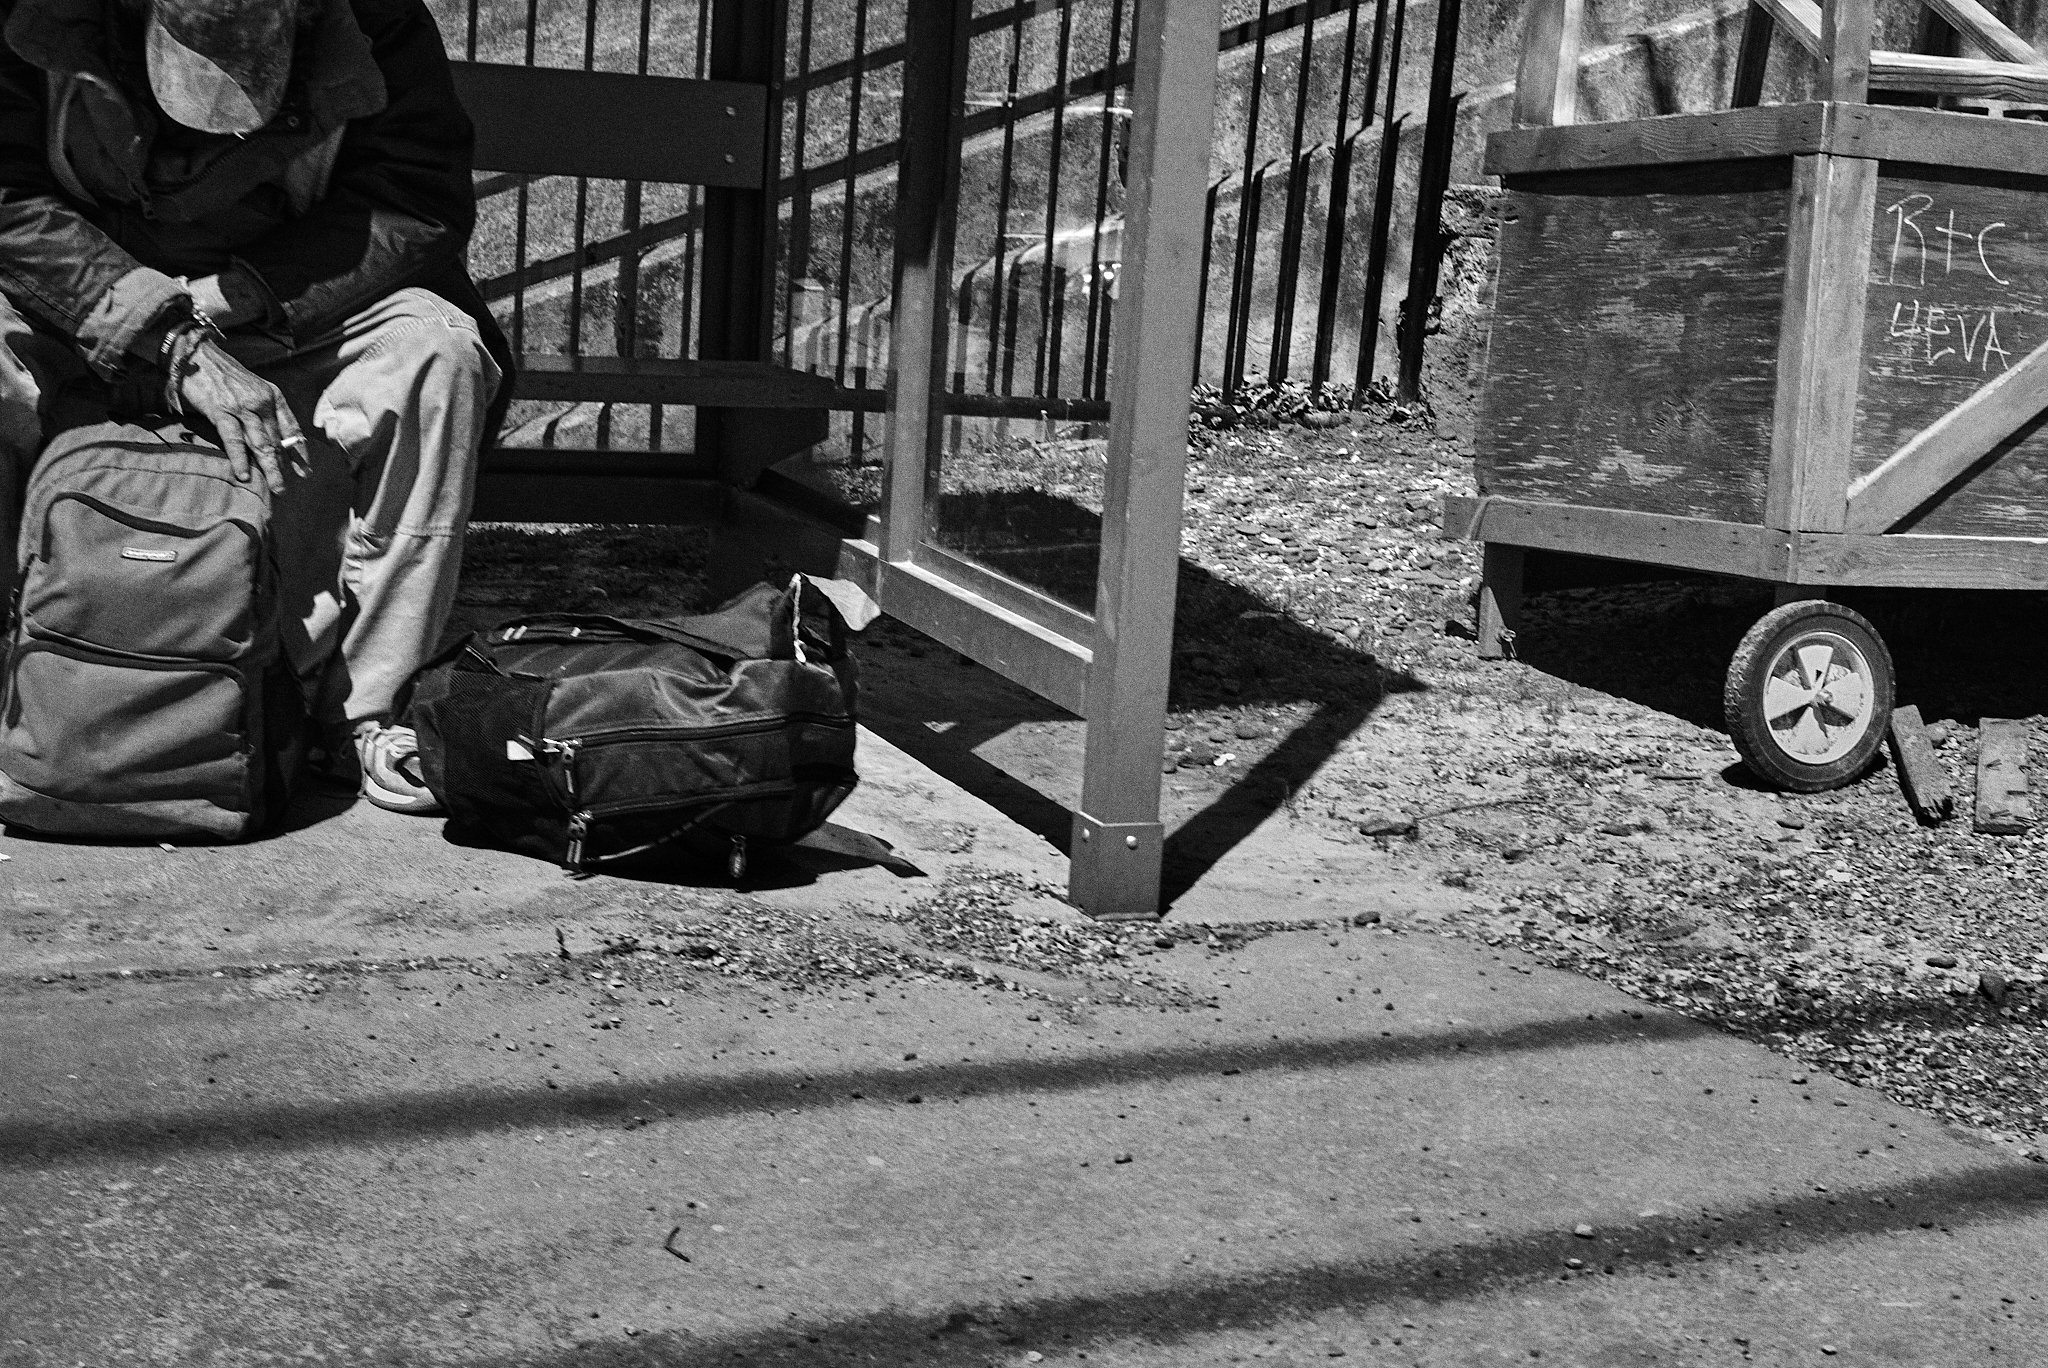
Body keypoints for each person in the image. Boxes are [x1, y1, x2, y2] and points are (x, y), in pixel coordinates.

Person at [0, 0, 509, 814]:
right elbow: (10, 202)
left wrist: (229, 299)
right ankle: (26, 682)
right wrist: (161, 332)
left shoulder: (375, 22)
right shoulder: (35, 15)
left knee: (433, 352)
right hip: (75, 302)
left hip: (276, 302)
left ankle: (364, 714)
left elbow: (414, 198)